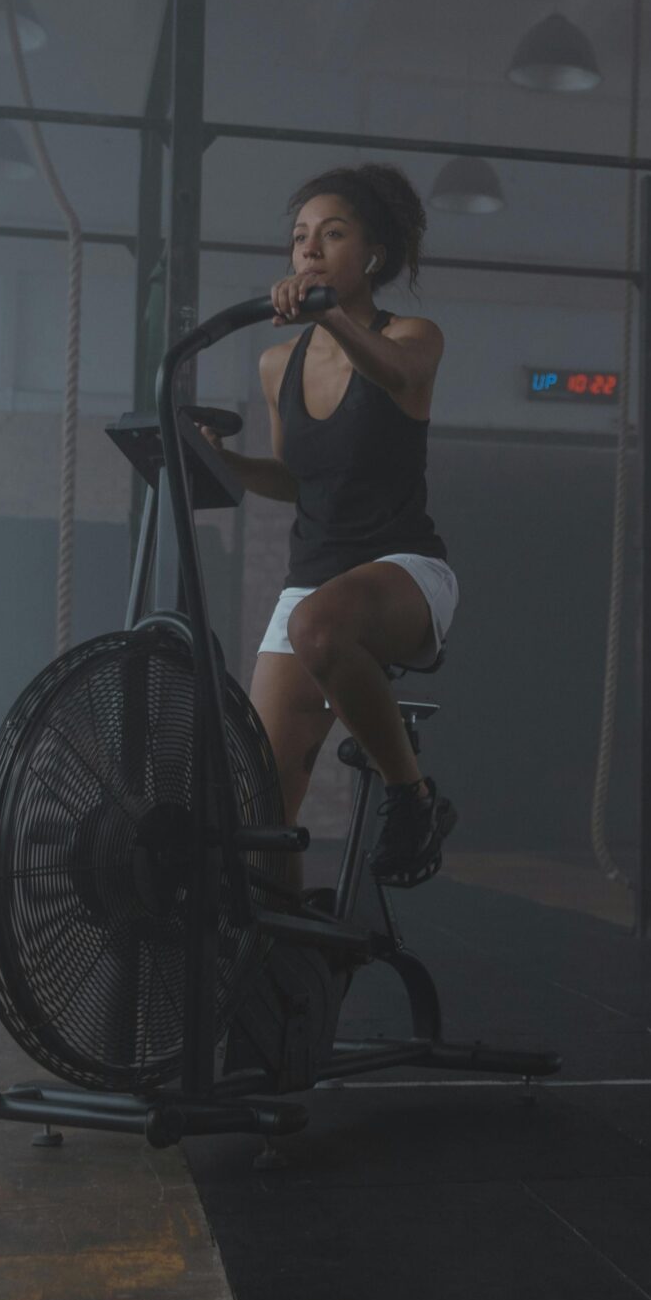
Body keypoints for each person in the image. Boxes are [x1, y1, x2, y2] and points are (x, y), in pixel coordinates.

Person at [202, 164, 458, 889]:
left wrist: (330, 316)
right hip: (313, 579)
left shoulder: (412, 334)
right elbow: (295, 479)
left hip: (404, 571)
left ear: (371, 256)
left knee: (321, 627)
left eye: (332, 234)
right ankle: (287, 972)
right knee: (259, 813)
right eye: (299, 238)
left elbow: (399, 379)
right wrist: (224, 462)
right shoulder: (275, 361)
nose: (309, 249)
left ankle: (413, 799)